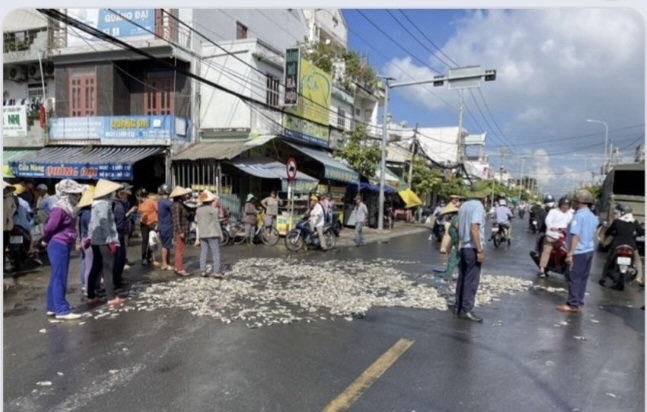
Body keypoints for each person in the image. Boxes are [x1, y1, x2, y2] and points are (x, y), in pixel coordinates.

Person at [40, 179, 86, 320]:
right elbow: (49, 227)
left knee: (56, 276)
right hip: (58, 243)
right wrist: (44, 240)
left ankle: (53, 306)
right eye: (75, 193)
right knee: (60, 276)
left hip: (62, 243)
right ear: (66, 194)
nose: (78, 196)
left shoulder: (68, 208)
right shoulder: (60, 209)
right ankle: (61, 310)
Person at [556, 190, 599, 313]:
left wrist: (570, 254)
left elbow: (575, 235)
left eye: (574, 201)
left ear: (579, 202)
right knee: (582, 278)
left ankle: (572, 304)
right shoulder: (592, 216)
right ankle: (579, 302)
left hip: (578, 251)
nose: (573, 203)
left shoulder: (578, 216)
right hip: (589, 250)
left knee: (574, 277)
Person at [454, 180, 489, 322]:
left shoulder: (464, 206)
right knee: (471, 279)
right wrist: (480, 250)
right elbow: (474, 228)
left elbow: (457, 225)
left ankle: (459, 306)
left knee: (462, 277)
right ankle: (467, 309)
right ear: (483, 195)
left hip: (463, 246)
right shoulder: (478, 206)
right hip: (472, 248)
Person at [87, 178, 125, 309]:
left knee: (96, 267)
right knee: (107, 268)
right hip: (104, 240)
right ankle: (111, 297)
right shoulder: (104, 204)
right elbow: (104, 223)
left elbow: (92, 224)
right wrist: (110, 240)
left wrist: (89, 237)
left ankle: (91, 294)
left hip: (96, 240)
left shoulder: (95, 204)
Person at [599, 204, 644, 288]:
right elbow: (642, 232)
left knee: (608, 260)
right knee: (637, 261)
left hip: (617, 244)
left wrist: (606, 238)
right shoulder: (634, 222)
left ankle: (603, 278)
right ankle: (639, 279)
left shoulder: (617, 222)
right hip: (631, 245)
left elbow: (608, 232)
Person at [537, 197, 573, 278]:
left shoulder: (570, 214)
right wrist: (551, 227)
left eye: (567, 205)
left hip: (564, 236)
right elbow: (548, 220)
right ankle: (542, 269)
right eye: (564, 205)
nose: (565, 207)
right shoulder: (553, 211)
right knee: (547, 250)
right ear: (560, 205)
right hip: (552, 235)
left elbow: (572, 224)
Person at [195, 190, 224, 279]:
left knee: (203, 252)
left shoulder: (198, 210)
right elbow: (216, 222)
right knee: (215, 253)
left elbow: (198, 223)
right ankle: (216, 272)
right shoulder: (213, 210)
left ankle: (203, 271)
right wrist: (221, 234)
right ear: (210, 201)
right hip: (213, 233)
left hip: (203, 234)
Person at [112, 184, 137, 289]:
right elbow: (120, 221)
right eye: (127, 191)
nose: (128, 192)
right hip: (119, 233)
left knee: (121, 257)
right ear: (121, 193)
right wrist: (130, 212)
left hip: (121, 232)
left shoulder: (122, 204)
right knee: (118, 258)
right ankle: (116, 281)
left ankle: (118, 278)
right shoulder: (118, 206)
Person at [77, 185, 95, 297]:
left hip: (84, 239)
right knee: (89, 264)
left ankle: (85, 284)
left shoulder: (81, 213)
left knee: (85, 262)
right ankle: (88, 287)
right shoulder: (88, 214)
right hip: (88, 240)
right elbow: (91, 229)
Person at [170, 185, 192, 277]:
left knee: (179, 250)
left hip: (182, 229)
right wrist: (180, 232)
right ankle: (180, 269)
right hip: (180, 230)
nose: (185, 196)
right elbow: (177, 220)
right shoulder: (177, 205)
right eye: (184, 194)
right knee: (180, 250)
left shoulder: (179, 204)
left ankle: (177, 267)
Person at [137, 188, 159, 266]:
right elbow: (139, 212)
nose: (138, 198)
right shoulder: (140, 202)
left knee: (152, 241)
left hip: (152, 223)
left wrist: (156, 222)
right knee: (145, 240)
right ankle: (143, 258)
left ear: (142, 196)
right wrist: (141, 216)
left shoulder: (152, 202)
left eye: (139, 196)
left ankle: (150, 257)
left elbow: (157, 211)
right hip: (144, 224)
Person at [439, 202, 460, 280]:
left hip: (459, 243)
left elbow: (460, 230)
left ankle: (448, 275)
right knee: (456, 260)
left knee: (453, 259)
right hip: (456, 243)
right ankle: (450, 274)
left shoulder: (456, 219)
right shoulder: (454, 219)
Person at [156, 184, 174, 271]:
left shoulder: (160, 201)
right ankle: (164, 263)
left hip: (162, 225)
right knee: (165, 246)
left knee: (166, 245)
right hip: (166, 225)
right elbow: (173, 206)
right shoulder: (166, 202)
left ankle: (167, 262)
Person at [3, 181, 17, 271]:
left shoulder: (10, 198)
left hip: (7, 226)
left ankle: (3, 266)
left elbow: (14, 207)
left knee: (4, 246)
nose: (6, 191)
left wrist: (9, 215)